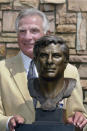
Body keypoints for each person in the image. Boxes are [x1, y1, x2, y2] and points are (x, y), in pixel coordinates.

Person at [0, 8, 86, 131]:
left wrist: (79, 120)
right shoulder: (2, 70)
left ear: (47, 34)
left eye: (34, 30)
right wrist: (7, 122)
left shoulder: (69, 71)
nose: (27, 37)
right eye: (22, 31)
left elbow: (79, 115)